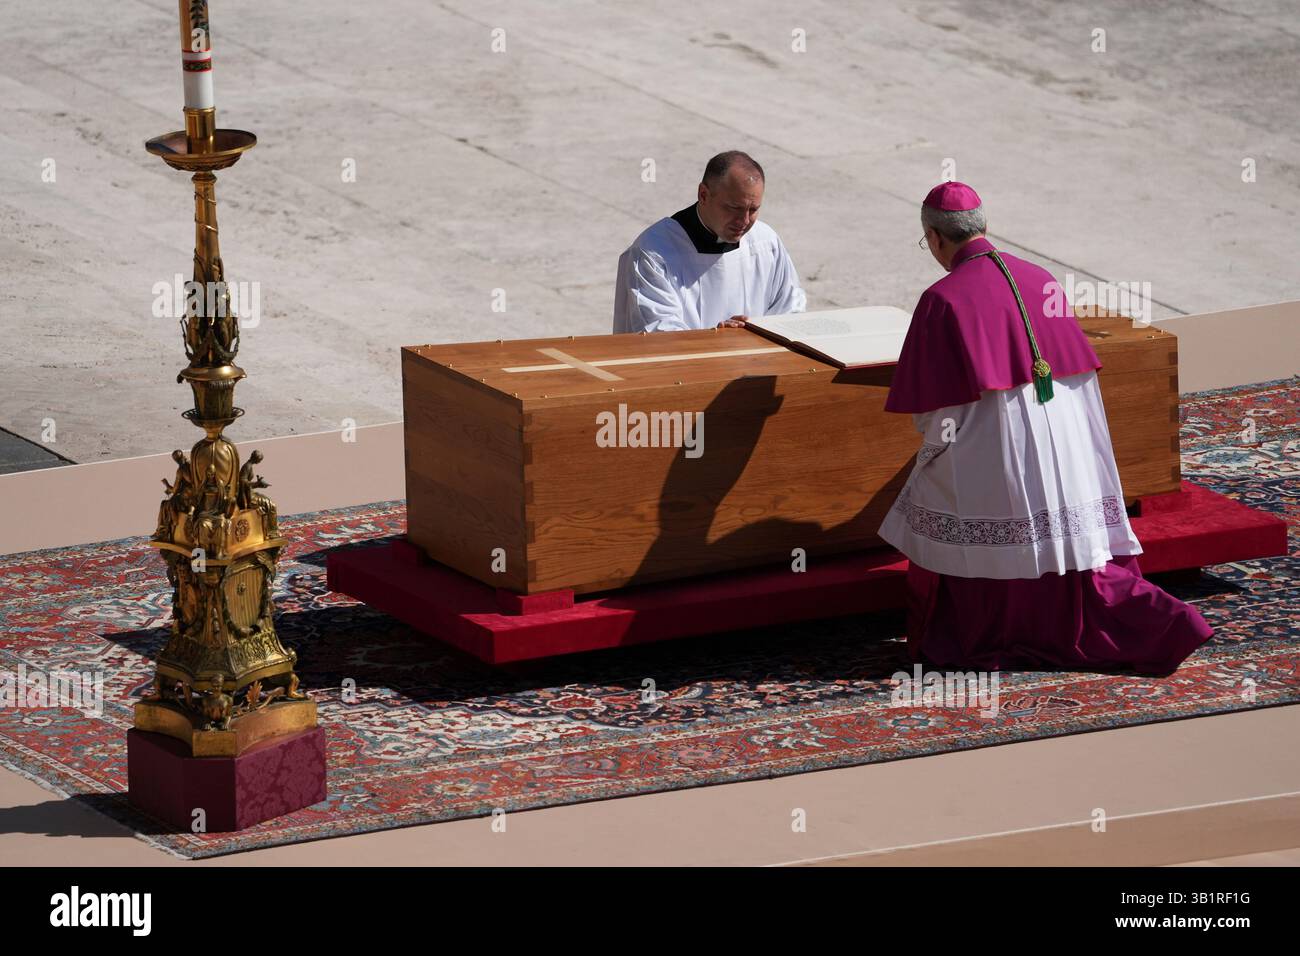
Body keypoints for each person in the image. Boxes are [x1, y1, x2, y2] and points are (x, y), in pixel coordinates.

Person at [878, 181, 1212, 675]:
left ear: (933, 236)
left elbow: (934, 415)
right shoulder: (1041, 278)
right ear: (984, 226)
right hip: (1069, 442)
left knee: (935, 488)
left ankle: (981, 637)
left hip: (996, 452)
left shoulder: (942, 299)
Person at [613, 150, 805, 333]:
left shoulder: (766, 242)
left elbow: (791, 308)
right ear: (703, 195)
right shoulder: (654, 251)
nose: (744, 221)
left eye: (753, 209)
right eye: (733, 208)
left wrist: (756, 335)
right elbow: (657, 330)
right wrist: (715, 339)